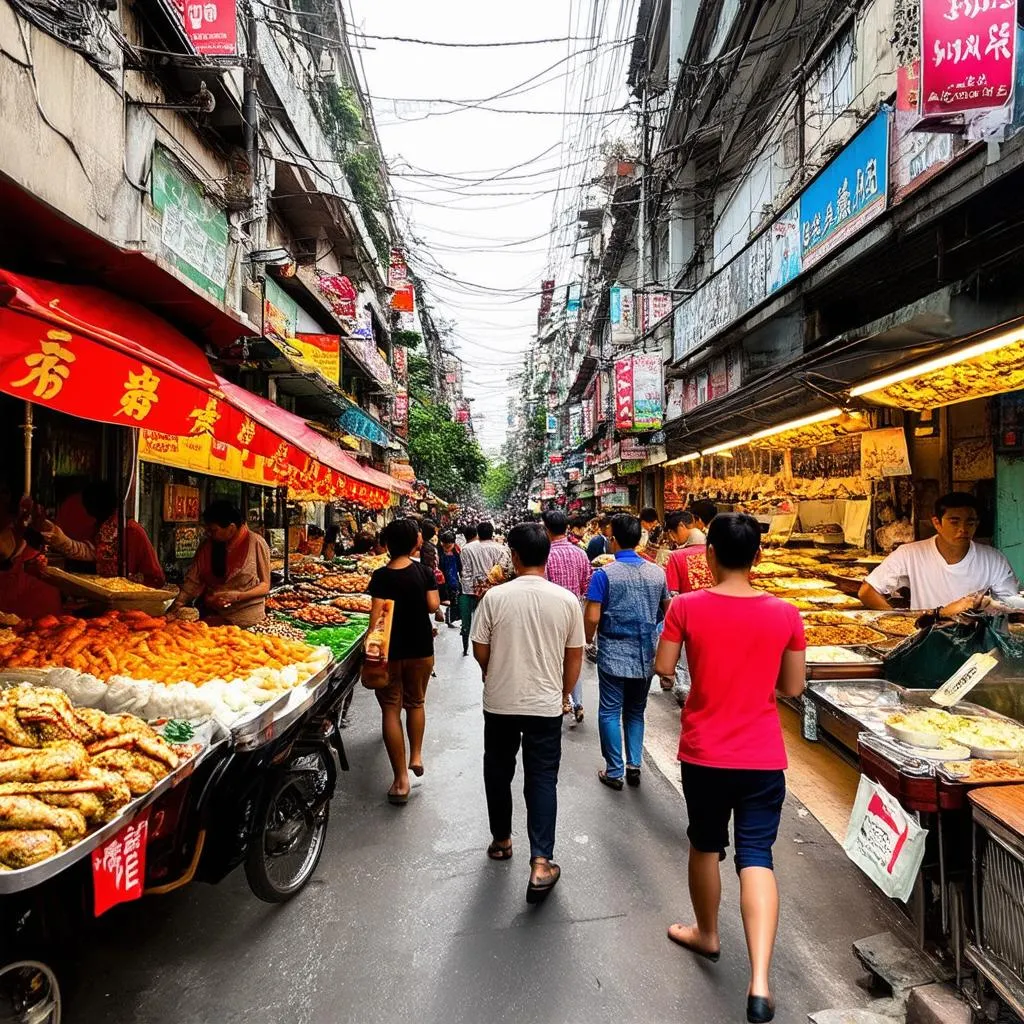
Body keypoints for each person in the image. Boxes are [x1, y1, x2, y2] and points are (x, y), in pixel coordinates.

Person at [654, 513, 807, 1024]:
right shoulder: (787, 613)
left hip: (705, 752)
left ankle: (707, 933)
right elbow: (792, 688)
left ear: (709, 556)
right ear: (759, 556)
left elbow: (663, 666)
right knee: (757, 856)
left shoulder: (686, 608)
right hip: (763, 755)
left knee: (704, 844)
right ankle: (760, 981)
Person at [471, 521, 585, 903]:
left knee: (497, 772)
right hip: (545, 705)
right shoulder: (566, 601)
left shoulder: (495, 598)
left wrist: (494, 673)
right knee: (541, 779)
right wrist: (563, 693)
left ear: (514, 556)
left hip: (500, 703)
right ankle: (541, 861)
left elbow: (480, 650)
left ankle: (502, 840)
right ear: (547, 555)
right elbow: (574, 657)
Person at [584, 514, 670, 790]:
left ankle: (614, 770)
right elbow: (667, 611)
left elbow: (593, 616)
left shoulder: (604, 575)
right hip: (646, 650)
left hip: (613, 651)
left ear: (613, 540)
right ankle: (634, 765)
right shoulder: (657, 572)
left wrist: (588, 639)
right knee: (635, 710)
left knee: (610, 710)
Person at [367, 519, 440, 805]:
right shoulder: (423, 572)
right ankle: (417, 754)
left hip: (390, 651)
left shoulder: (380, 576)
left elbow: (376, 619)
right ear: (413, 544)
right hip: (421, 647)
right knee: (416, 702)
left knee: (390, 708)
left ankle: (400, 781)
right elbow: (434, 606)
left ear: (387, 545)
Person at [858, 492, 1023, 615]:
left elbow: (1010, 605)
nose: (963, 529)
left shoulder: (993, 559)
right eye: (954, 522)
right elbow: (867, 591)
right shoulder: (910, 554)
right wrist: (901, 622)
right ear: (936, 523)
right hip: (925, 638)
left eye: (970, 522)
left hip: (975, 643)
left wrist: (992, 605)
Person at [42, 481, 164, 589]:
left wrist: (129, 583)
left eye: (90, 506)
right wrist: (61, 540)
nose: (88, 510)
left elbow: (156, 578)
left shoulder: (132, 531)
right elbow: (88, 552)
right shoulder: (98, 529)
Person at [168, 501, 271, 626]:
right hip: (213, 617)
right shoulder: (207, 546)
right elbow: (192, 581)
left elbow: (265, 586)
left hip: (247, 619)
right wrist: (176, 606)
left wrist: (238, 596)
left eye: (213, 530)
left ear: (231, 528)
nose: (209, 533)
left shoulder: (256, 542)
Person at [542, 509, 592, 723]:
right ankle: (576, 701)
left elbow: (542, 587)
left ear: (546, 529)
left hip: (552, 612)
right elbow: (587, 586)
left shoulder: (546, 555)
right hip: (576, 610)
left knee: (554, 658)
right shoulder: (580, 553)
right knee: (574, 658)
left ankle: (561, 700)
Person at [459, 521, 509, 657]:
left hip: (473, 591)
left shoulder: (467, 549)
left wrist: (470, 592)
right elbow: (503, 571)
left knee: (469, 623)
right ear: (492, 533)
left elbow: (466, 572)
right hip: (496, 591)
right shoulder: (501, 549)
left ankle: (466, 646)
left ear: (478, 534)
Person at [438, 531, 463, 628]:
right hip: (444, 581)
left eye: (449, 546)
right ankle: (448, 619)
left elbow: (460, 567)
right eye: (445, 546)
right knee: (446, 599)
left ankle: (453, 618)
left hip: (454, 580)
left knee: (455, 599)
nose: (447, 548)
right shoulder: (439, 554)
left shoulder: (456, 553)